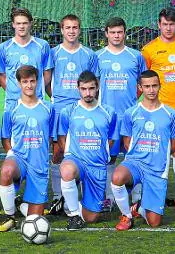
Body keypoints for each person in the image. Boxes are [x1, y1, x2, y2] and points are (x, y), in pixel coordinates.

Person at [141, 7, 175, 212]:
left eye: (172, 24)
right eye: (164, 24)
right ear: (159, 24)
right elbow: (144, 78)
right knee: (154, 150)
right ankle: (155, 195)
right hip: (158, 108)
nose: (168, 28)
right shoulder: (148, 49)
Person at [111, 70, 175, 230]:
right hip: (135, 163)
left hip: (157, 170)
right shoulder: (131, 113)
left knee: (154, 223)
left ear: (160, 86)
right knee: (117, 177)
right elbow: (127, 142)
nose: (151, 90)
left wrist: (156, 153)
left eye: (154, 86)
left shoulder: (171, 114)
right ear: (140, 87)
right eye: (147, 86)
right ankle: (126, 216)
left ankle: (139, 207)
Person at [48, 14, 99, 215]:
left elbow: (95, 83)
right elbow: (46, 81)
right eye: (67, 27)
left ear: (79, 30)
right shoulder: (52, 53)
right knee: (58, 152)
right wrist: (57, 98)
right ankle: (57, 196)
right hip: (60, 109)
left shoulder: (88, 55)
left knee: (83, 150)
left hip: (82, 109)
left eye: (75, 27)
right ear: (61, 30)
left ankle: (81, 194)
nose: (71, 31)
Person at [0, 65, 54, 232]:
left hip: (39, 165)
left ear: (38, 82)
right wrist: (11, 154)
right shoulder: (11, 110)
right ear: (19, 83)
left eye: (32, 81)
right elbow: (5, 138)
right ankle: (10, 217)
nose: (29, 85)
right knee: (6, 170)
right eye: (25, 82)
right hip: (19, 158)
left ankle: (21, 205)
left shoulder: (48, 108)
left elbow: (51, 137)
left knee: (35, 219)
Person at [96, 17, 147, 211]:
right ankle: (109, 197)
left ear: (125, 33)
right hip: (108, 118)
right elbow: (93, 84)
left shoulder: (135, 56)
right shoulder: (98, 56)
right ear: (107, 33)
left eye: (120, 32)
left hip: (130, 116)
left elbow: (143, 83)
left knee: (133, 155)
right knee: (109, 157)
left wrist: (133, 101)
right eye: (113, 32)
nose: (117, 35)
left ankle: (137, 196)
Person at [57, 71, 118, 230]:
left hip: (96, 166)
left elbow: (111, 138)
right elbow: (62, 137)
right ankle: (74, 215)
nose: (88, 93)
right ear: (78, 88)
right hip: (76, 160)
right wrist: (69, 156)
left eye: (91, 88)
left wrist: (99, 152)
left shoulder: (109, 112)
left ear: (97, 88)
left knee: (91, 218)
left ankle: (72, 202)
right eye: (83, 89)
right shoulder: (68, 111)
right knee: (67, 170)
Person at [0, 7, 53, 112]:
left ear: (30, 24)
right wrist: (15, 92)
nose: (21, 26)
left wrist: (33, 91)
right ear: (13, 24)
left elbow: (47, 72)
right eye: (18, 23)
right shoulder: (4, 48)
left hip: (37, 102)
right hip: (12, 103)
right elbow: (2, 75)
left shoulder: (42, 45)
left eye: (25, 23)